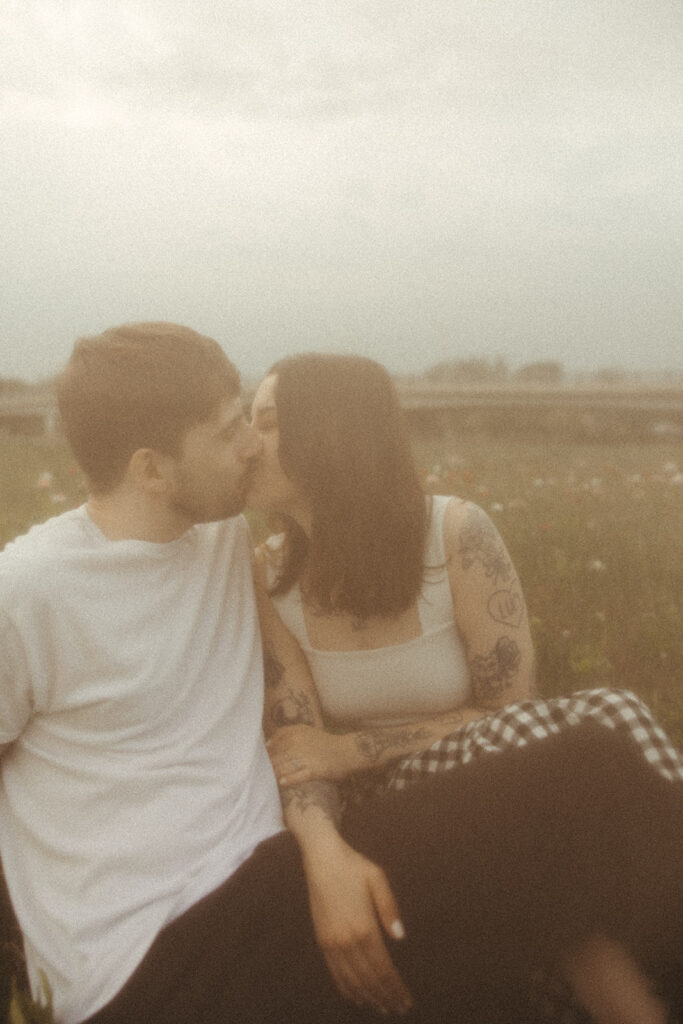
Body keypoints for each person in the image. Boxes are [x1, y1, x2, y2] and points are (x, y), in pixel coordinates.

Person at [0, 326, 679, 1024]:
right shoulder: (30, 591)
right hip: (155, 963)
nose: (250, 445)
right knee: (589, 777)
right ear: (151, 471)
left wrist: (323, 857)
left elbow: (298, 731)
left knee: (514, 951)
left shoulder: (224, 545)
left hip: (274, 887)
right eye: (231, 428)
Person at [247, 352, 683, 1023]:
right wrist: (325, 840)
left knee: (595, 717)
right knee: (586, 723)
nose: (250, 442)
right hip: (392, 813)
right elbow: (303, 754)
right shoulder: (268, 577)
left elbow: (509, 708)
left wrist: (350, 748)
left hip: (499, 776)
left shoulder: (454, 533)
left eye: (270, 421)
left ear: (330, 432)